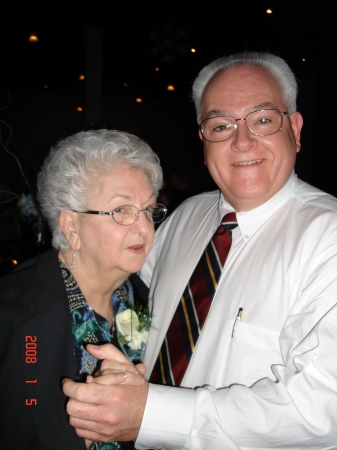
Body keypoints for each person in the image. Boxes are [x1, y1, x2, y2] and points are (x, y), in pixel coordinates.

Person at [63, 52, 337, 449]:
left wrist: (151, 415)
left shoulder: (328, 237)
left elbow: (321, 409)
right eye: (221, 125)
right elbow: (128, 299)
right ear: (204, 139)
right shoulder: (186, 216)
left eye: (262, 120)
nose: (242, 142)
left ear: (294, 128)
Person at [0, 129, 167, 449]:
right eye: (121, 210)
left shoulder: (149, 303)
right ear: (71, 228)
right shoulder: (9, 314)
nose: (144, 227)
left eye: (149, 210)